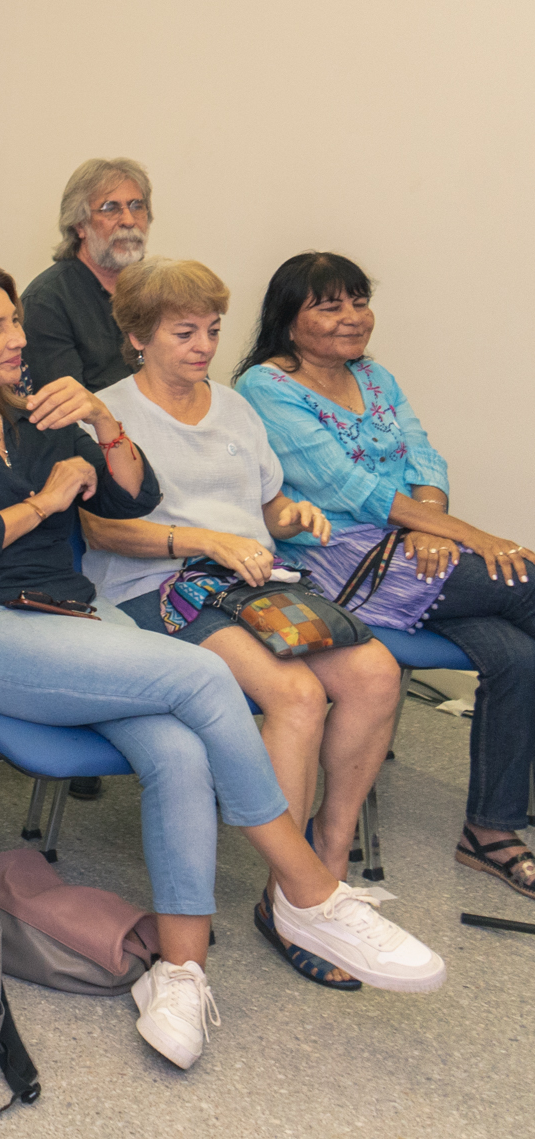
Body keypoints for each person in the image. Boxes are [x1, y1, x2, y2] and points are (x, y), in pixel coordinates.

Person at [0, 263, 443, 1069]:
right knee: (202, 676)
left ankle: (181, 971)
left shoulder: (34, 414)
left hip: (69, 617)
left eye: (15, 321)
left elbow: (130, 498)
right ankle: (309, 891)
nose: (18, 338)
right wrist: (45, 501)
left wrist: (104, 423)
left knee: (179, 749)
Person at [72, 257, 405, 977]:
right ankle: (295, 900)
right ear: (138, 336)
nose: (204, 346)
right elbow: (101, 530)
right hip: (159, 587)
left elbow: (266, 507)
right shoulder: (107, 414)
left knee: (377, 673)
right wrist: (205, 541)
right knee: (296, 694)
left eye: (213, 330)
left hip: (247, 581)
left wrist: (293, 515)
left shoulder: (234, 408)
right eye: (184, 332)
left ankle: (325, 865)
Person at [232, 251, 535, 905]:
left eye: (359, 301)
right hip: (337, 560)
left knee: (518, 654)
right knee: (527, 581)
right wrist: (469, 535)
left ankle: (489, 830)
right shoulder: (266, 386)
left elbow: (424, 456)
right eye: (330, 305)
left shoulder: (375, 376)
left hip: (408, 548)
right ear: (288, 320)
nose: (353, 317)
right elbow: (347, 488)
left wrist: (432, 524)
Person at [22, 157, 153, 392]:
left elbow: (190, 381)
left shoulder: (158, 289)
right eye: (111, 208)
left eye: (137, 206)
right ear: (80, 225)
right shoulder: (46, 302)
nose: (129, 220)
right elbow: (66, 409)